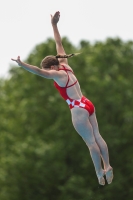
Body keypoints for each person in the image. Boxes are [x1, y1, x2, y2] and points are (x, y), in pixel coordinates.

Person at [11, 11, 113, 186]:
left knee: (90, 143)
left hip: (77, 109)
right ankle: (108, 165)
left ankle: (99, 172)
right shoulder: (66, 65)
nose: (50, 73)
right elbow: (59, 43)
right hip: (87, 103)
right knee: (98, 136)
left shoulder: (58, 75)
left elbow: (39, 71)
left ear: (52, 66)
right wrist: (54, 25)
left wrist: (22, 65)